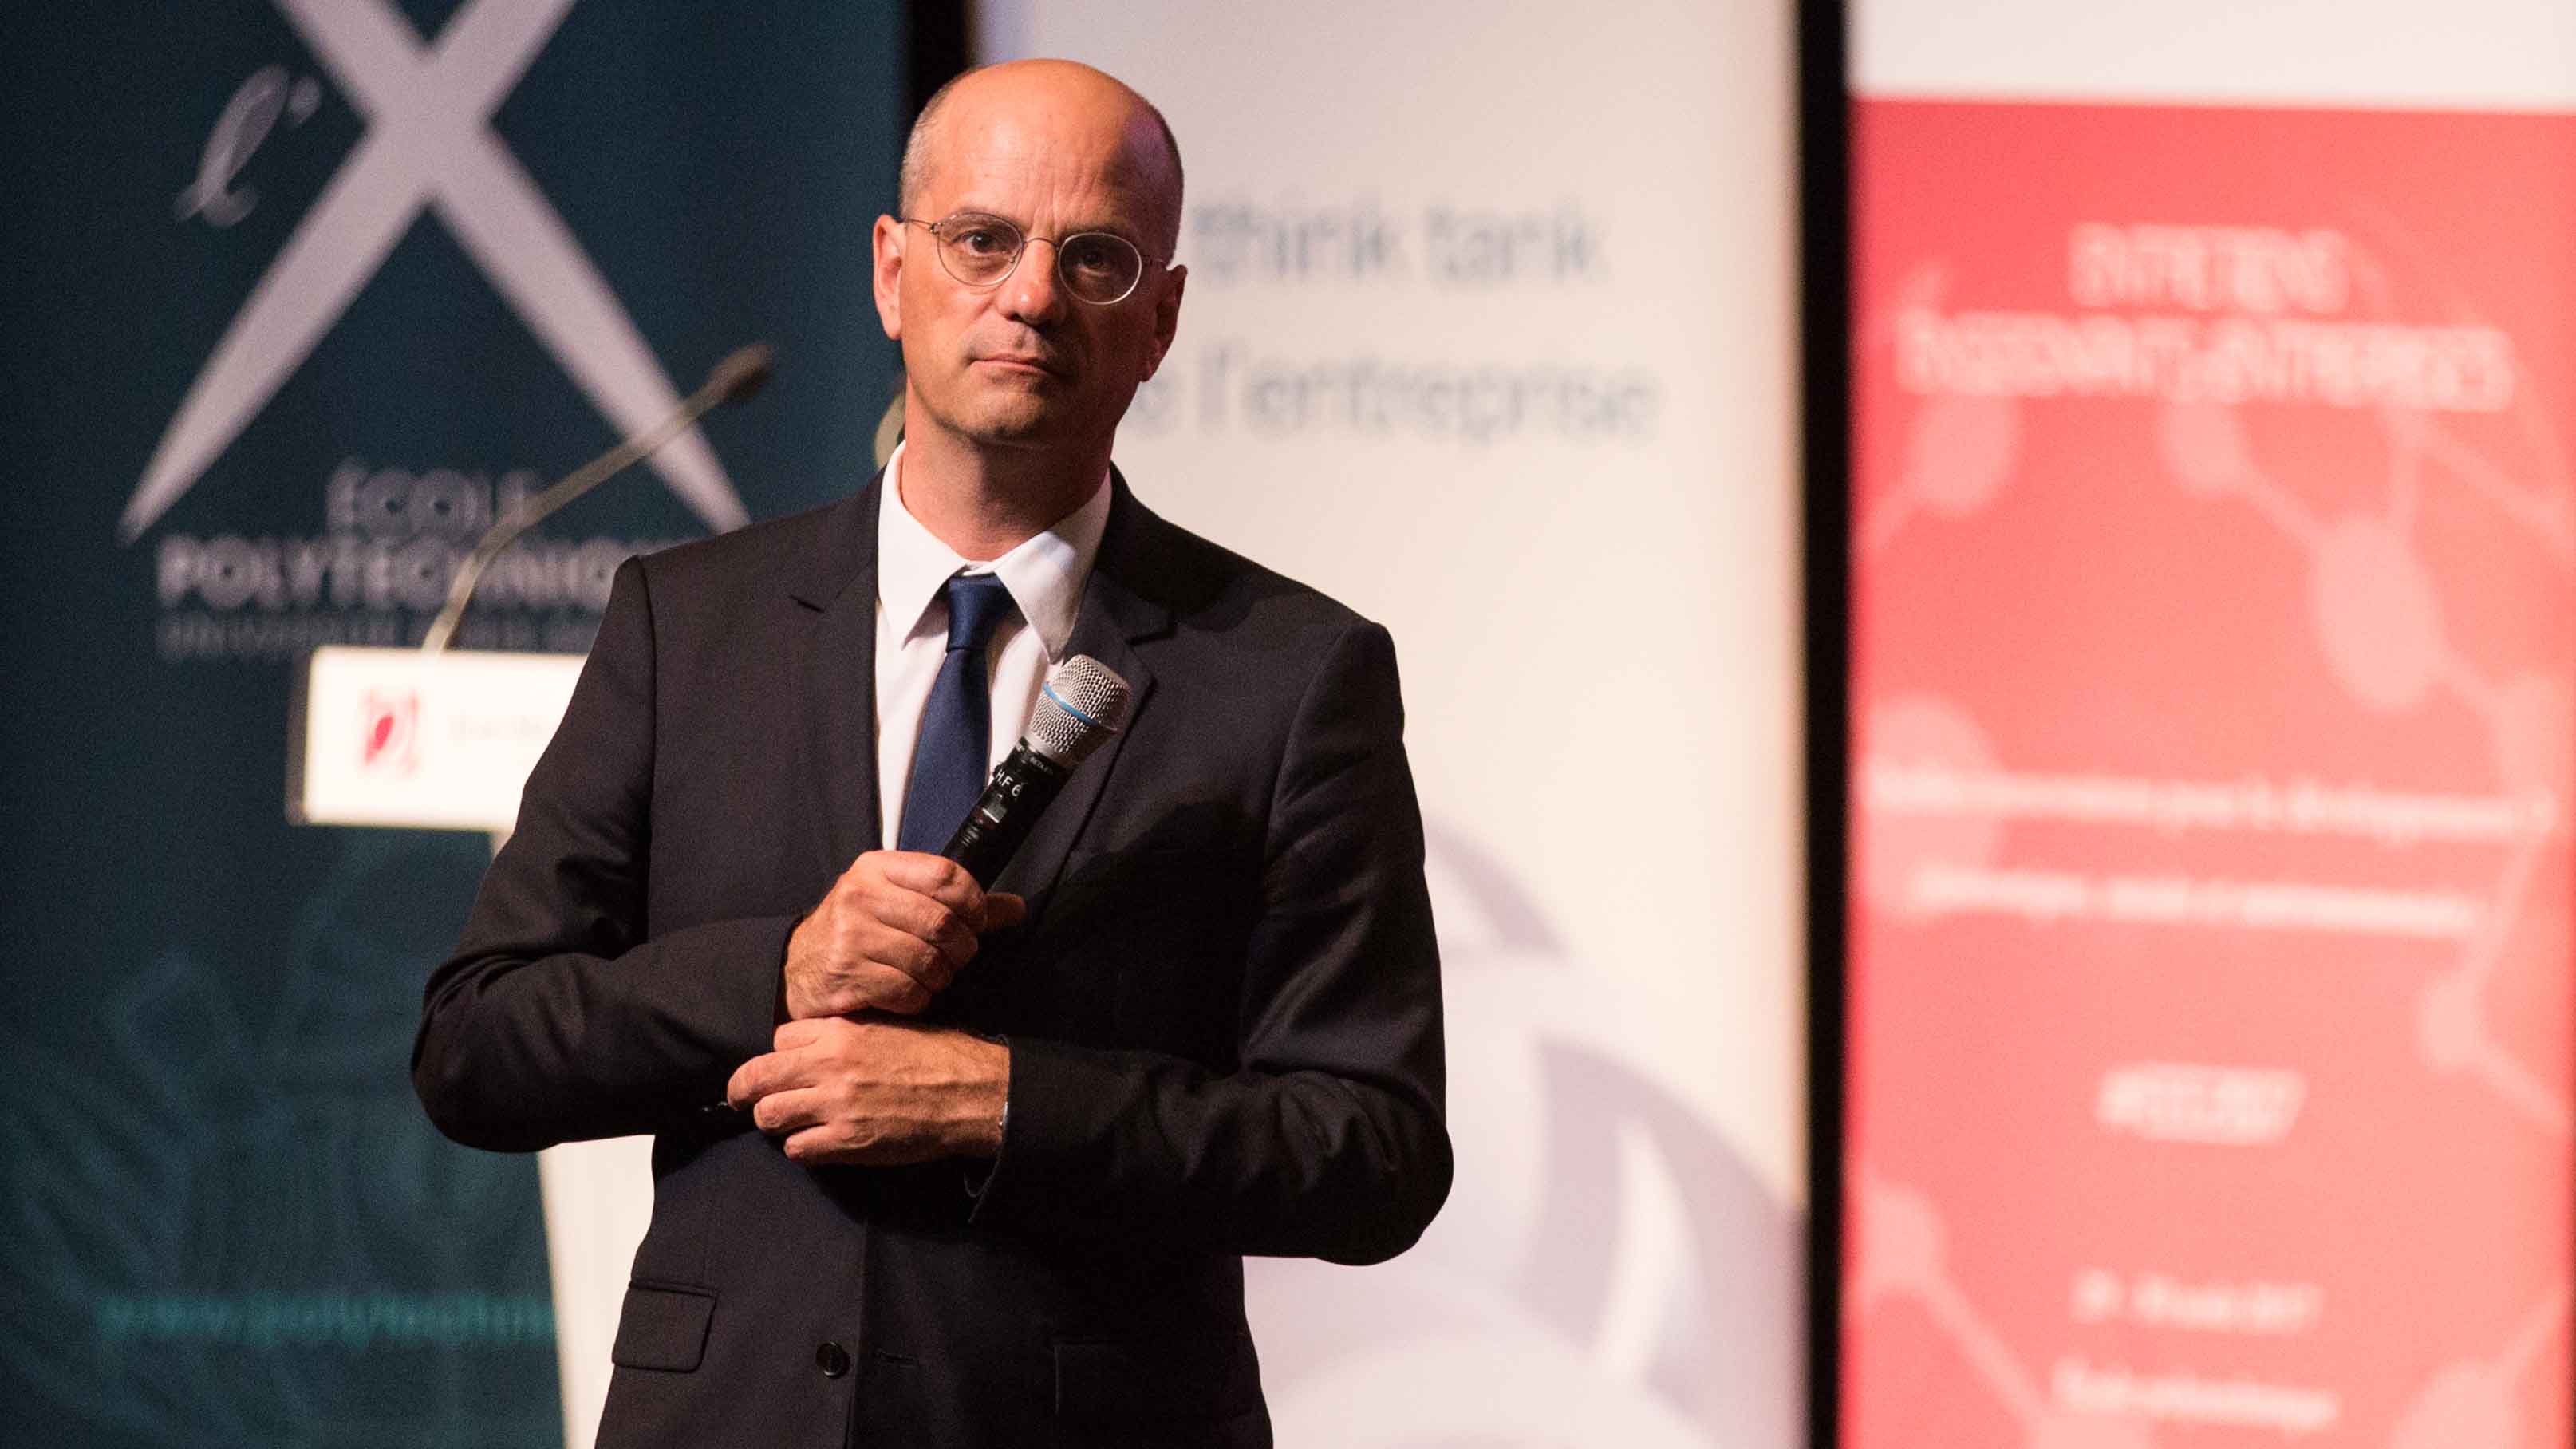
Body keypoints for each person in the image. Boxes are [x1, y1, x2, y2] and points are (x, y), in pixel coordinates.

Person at [412, 59, 1450, 1447]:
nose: (1032, 297)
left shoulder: (1288, 671)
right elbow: (478, 1048)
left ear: (1161, 319)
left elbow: (1373, 1154)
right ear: (892, 273)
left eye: (1094, 257)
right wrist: (777, 974)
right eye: (982, 241)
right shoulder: (687, 623)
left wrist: (1007, 1103)